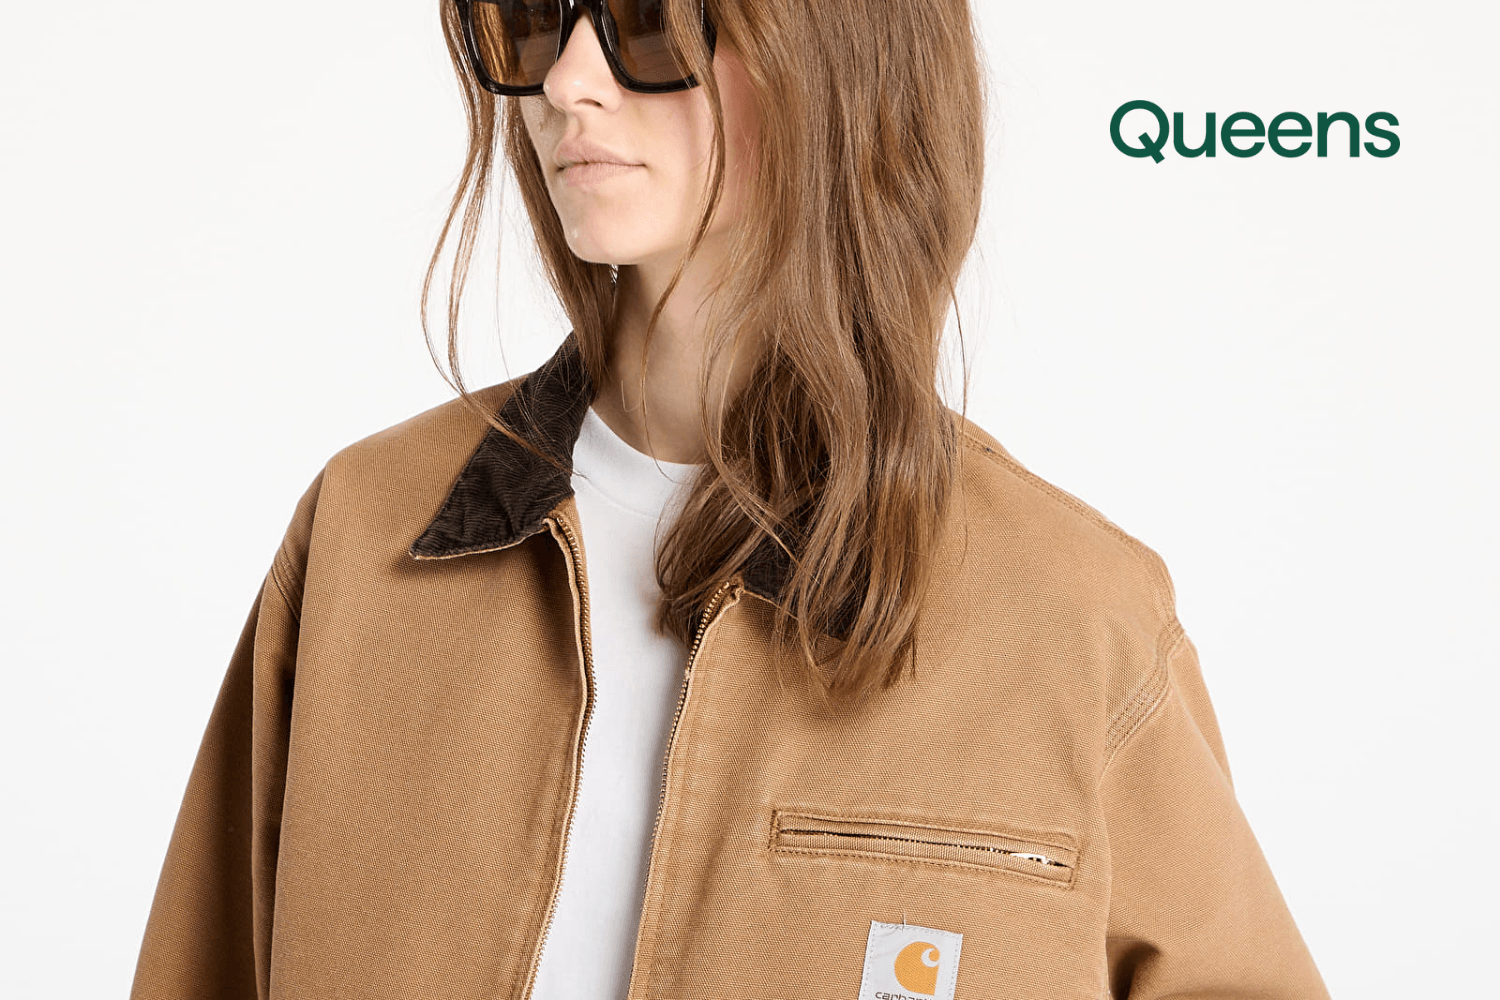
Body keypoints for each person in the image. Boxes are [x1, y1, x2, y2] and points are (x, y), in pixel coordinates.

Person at [129, 2, 1330, 998]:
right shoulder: (370, 530)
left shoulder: (1073, 614)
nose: (568, 83)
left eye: (651, 21)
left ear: (838, 46)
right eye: (533, 18)